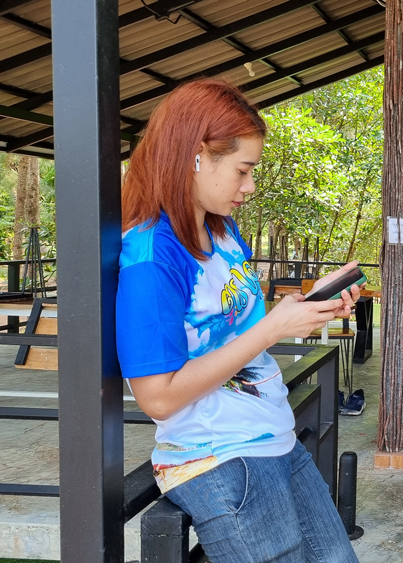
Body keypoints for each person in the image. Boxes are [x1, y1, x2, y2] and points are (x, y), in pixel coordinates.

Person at [116, 78, 361, 563]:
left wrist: (304, 310)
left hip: (275, 438)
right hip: (219, 459)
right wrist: (272, 330)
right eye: (243, 170)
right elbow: (158, 397)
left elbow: (234, 331)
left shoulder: (220, 231)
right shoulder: (152, 254)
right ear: (196, 155)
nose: (249, 187)